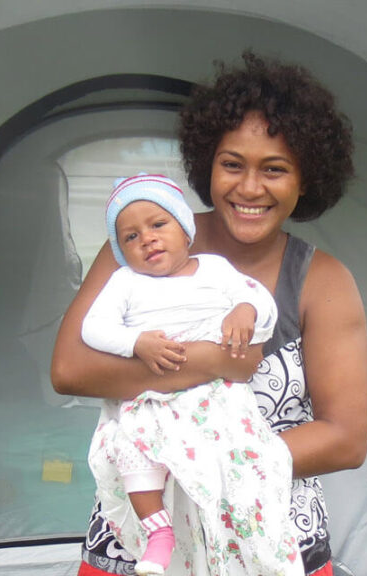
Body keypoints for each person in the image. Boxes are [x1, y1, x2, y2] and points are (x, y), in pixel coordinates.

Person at [52, 51, 367, 576]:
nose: (249, 188)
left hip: (268, 536)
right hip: (143, 539)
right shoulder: (141, 245)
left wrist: (211, 463)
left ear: (307, 179)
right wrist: (212, 361)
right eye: (232, 165)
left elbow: (346, 437)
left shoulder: (323, 280)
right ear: (206, 165)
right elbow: (69, 370)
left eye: (274, 169)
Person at [81, 173, 303, 576]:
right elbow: (92, 328)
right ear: (121, 252)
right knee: (129, 446)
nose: (146, 239)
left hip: (215, 397)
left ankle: (250, 547)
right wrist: (136, 343)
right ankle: (158, 531)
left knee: (242, 467)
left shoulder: (215, 270)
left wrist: (244, 311)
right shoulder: (125, 283)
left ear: (185, 231)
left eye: (158, 225)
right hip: (153, 395)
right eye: (130, 237)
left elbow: (260, 302)